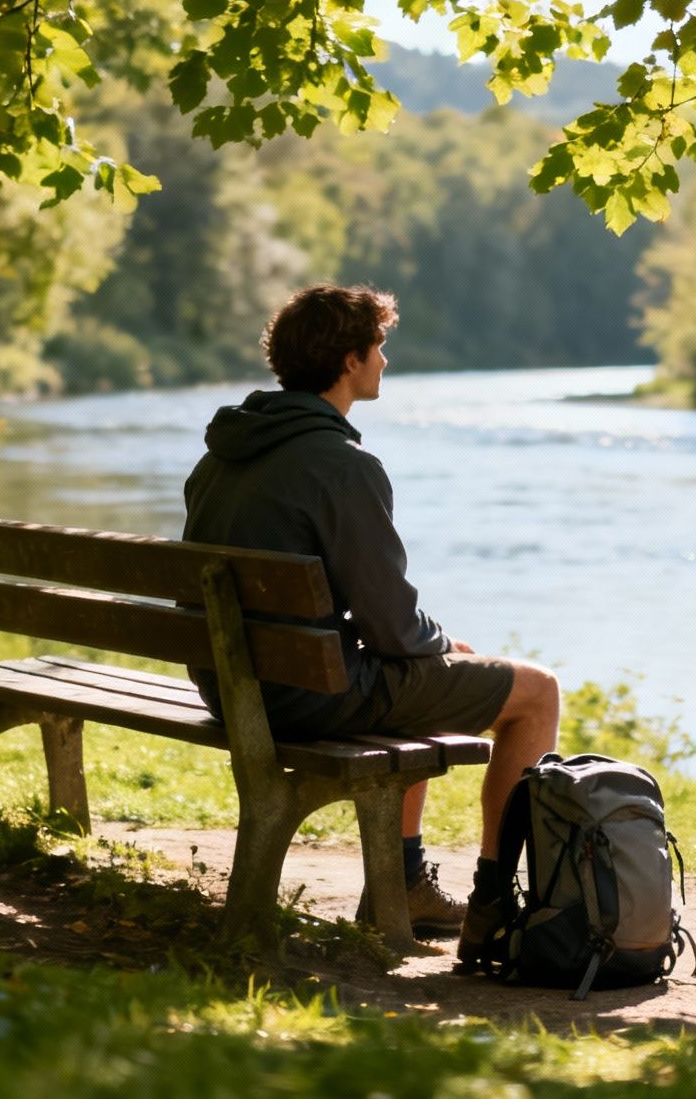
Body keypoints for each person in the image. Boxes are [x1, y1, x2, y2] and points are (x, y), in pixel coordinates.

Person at [181, 283, 561, 960]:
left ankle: (408, 880)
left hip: (230, 682)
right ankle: (494, 903)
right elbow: (392, 627)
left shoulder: (221, 456)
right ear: (349, 361)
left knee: (427, 666)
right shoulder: (341, 465)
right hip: (303, 697)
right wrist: (444, 647)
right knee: (536, 692)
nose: (385, 361)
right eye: (379, 348)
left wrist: (436, 650)